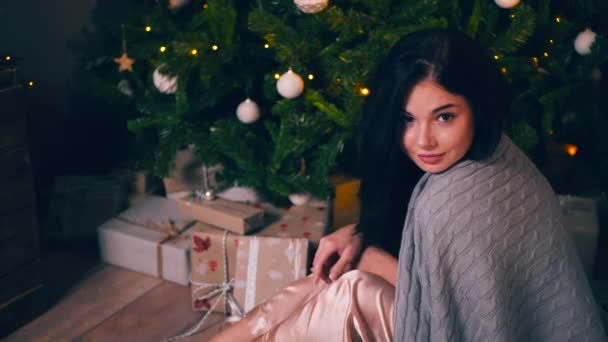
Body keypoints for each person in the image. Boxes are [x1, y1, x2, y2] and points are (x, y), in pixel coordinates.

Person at [210, 28, 606, 341]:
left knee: (350, 292)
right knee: (327, 282)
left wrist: (366, 255)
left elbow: (453, 317)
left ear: (477, 108)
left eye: (445, 117)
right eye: (407, 119)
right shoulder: (498, 151)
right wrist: (360, 234)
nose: (424, 141)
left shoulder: (454, 199)